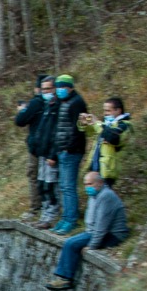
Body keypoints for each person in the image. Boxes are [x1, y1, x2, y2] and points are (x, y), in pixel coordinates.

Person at [46, 171, 129, 290]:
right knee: (70, 242)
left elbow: (102, 226)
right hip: (94, 232)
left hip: (112, 235)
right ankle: (63, 277)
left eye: (90, 184)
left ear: (100, 183)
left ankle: (66, 279)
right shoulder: (95, 195)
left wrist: (92, 246)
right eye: (85, 184)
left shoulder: (106, 196)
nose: (87, 187)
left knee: (71, 244)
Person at [47, 73, 90, 235]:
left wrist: (68, 148)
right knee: (63, 186)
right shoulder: (62, 102)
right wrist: (55, 151)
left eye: (63, 87)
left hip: (71, 151)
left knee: (69, 186)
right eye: (58, 87)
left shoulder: (77, 103)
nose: (60, 90)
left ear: (70, 88)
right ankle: (65, 218)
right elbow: (57, 128)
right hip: (62, 150)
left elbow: (78, 130)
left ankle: (71, 219)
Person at [14, 75, 59, 227]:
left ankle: (38, 208)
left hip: (40, 147)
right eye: (44, 89)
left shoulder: (38, 103)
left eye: (48, 89)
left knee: (38, 177)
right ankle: (46, 209)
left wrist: (22, 111)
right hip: (43, 146)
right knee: (43, 179)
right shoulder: (51, 103)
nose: (45, 92)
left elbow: (20, 121)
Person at [79, 96, 132, 192]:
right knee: (94, 197)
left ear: (118, 110)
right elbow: (91, 133)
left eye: (108, 111)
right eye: (104, 111)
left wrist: (97, 123)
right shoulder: (106, 124)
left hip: (107, 170)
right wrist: (84, 123)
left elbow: (113, 138)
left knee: (104, 197)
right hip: (95, 167)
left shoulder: (124, 125)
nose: (105, 114)